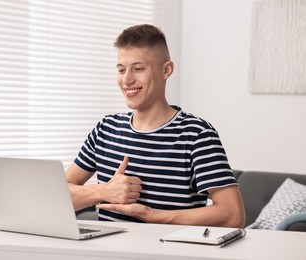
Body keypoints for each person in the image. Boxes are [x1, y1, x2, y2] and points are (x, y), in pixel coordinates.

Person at [66, 24, 245, 228]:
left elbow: (233, 215)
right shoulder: (105, 129)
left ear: (166, 70)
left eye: (138, 68)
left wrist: (153, 215)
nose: (127, 80)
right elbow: (57, 194)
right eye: (121, 70)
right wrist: (102, 191)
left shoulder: (197, 135)